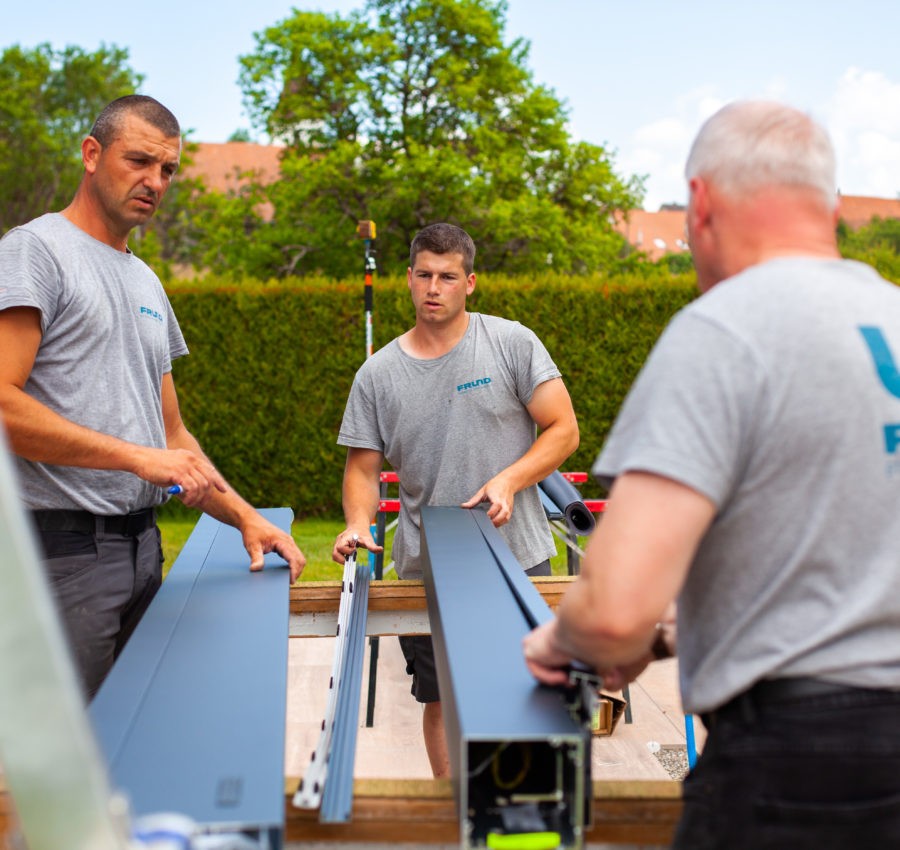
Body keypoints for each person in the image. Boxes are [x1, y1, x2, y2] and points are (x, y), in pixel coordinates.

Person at [523, 99, 900, 848]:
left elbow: (614, 609)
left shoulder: (725, 330)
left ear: (699, 203)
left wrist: (563, 641)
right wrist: (669, 637)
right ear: (829, 204)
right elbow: (824, 567)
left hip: (799, 770)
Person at [0, 95, 305, 699]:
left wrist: (246, 517)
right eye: (139, 161)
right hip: (59, 555)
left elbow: (172, 436)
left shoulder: (145, 280)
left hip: (143, 547)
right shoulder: (34, 251)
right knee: (69, 747)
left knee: (134, 731)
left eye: (167, 169)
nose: (155, 182)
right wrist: (137, 459)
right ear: (92, 154)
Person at [333, 222, 579, 777]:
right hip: (427, 570)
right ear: (408, 279)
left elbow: (564, 429)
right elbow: (362, 470)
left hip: (517, 559)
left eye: (447, 277)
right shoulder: (377, 375)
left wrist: (510, 479)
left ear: (470, 282)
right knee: (442, 700)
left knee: (528, 694)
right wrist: (357, 522)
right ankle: (451, 812)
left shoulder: (511, 342)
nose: (433, 288)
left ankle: (521, 811)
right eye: (424, 275)